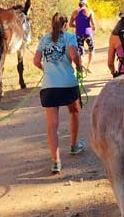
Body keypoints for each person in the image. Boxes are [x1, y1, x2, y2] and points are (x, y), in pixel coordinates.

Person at [33, 13, 86, 174]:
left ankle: (56, 161)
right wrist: (79, 66)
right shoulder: (70, 37)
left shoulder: (44, 39)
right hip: (68, 84)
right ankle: (74, 145)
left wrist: (45, 69)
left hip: (49, 86)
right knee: (74, 111)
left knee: (52, 125)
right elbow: (74, 55)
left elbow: (36, 61)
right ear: (65, 25)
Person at [68, 0, 96, 74]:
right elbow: (93, 24)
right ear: (86, 4)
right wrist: (93, 28)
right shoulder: (89, 11)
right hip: (88, 33)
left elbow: (70, 24)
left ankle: (81, 68)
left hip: (79, 33)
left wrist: (77, 26)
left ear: (79, 4)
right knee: (91, 48)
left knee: (81, 51)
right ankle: (89, 66)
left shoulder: (75, 12)